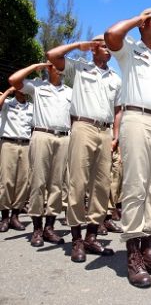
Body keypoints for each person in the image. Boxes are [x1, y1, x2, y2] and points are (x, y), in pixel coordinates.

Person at [104, 8, 151, 288]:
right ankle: (133, 254)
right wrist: (139, 17)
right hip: (136, 117)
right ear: (142, 25)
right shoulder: (129, 51)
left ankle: (150, 250)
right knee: (136, 185)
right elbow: (111, 34)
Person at [46, 34, 122, 262]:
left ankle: (91, 235)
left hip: (105, 132)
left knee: (102, 185)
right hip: (82, 126)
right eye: (103, 45)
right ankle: (76, 238)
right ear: (93, 48)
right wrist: (78, 46)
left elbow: (118, 110)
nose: (108, 49)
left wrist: (115, 136)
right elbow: (51, 56)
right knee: (77, 183)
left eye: (110, 47)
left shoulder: (116, 79)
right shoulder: (80, 67)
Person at [9, 62, 72, 246]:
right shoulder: (37, 86)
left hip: (63, 137)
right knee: (38, 181)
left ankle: (49, 228)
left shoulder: (70, 91)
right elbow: (14, 80)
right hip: (42, 134)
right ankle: (37, 229)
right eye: (55, 64)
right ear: (48, 68)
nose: (59, 67)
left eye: (62, 63)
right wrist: (36, 65)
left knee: (57, 184)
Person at [0, 86, 32, 232]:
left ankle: (15, 216)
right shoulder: (7, 103)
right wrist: (8, 91)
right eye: (20, 86)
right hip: (9, 143)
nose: (23, 89)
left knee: (22, 182)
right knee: (6, 181)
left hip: (26, 145)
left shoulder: (32, 107)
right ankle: (5, 217)